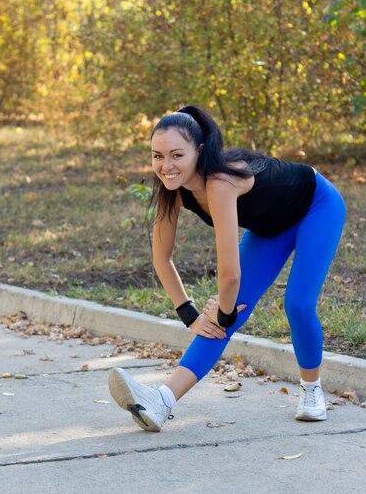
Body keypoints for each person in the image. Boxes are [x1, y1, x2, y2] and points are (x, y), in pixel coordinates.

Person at [108, 105, 346, 432]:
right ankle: (162, 400)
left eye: (177, 155)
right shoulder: (171, 190)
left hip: (317, 206)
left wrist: (223, 311)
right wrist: (191, 315)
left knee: (298, 304)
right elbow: (161, 259)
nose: (166, 166)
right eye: (157, 156)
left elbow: (230, 273)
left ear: (199, 151)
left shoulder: (219, 182)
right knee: (217, 319)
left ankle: (311, 389)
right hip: (270, 228)